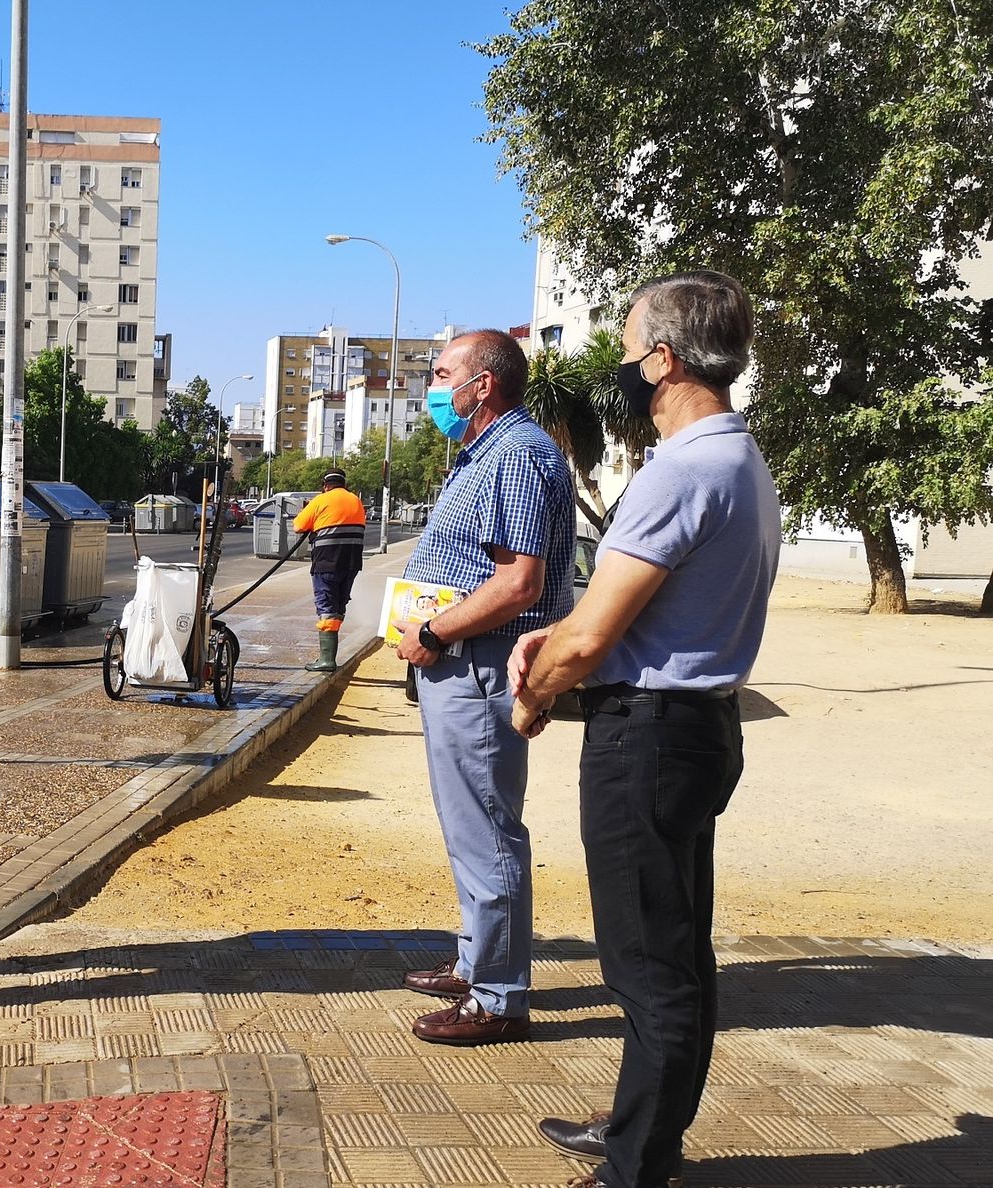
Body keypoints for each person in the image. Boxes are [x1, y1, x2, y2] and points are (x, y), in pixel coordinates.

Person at [508, 271, 779, 1188]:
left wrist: (536, 690)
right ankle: (638, 1129)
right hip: (695, 728)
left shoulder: (681, 468)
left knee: (648, 964)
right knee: (674, 949)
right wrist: (569, 641)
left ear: (661, 360)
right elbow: (635, 610)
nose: (623, 368)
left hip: (649, 738)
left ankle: (635, 1167)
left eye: (628, 352)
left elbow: (589, 638)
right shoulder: (741, 457)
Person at [392, 329, 575, 1045]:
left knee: (488, 831)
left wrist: (435, 634)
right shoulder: (488, 453)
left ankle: (498, 997)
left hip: (479, 663)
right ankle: (478, 962)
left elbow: (518, 581)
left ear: (484, 384)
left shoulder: (517, 456)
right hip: (461, 662)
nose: (434, 388)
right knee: (469, 824)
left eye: (442, 374)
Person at [291, 468, 367, 672]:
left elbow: (298, 526)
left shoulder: (320, 500)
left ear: (325, 486)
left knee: (326, 607)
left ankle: (327, 660)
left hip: (326, 562)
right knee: (339, 605)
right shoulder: (355, 501)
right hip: (351, 563)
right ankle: (329, 656)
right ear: (344, 484)